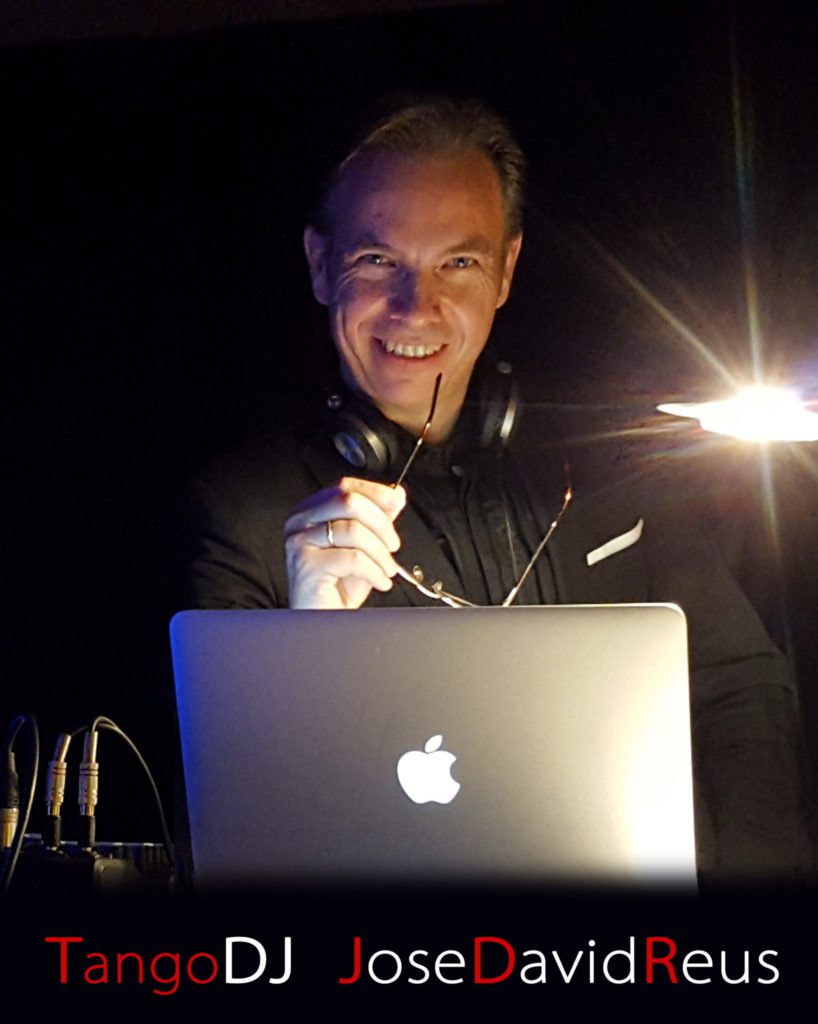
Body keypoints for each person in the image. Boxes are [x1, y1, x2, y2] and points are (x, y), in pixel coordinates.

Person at [174, 96, 813, 880]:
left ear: (506, 270)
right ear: (318, 264)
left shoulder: (607, 472)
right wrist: (312, 652)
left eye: (458, 263)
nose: (417, 305)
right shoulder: (243, 516)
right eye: (377, 261)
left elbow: (739, 688)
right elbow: (233, 837)